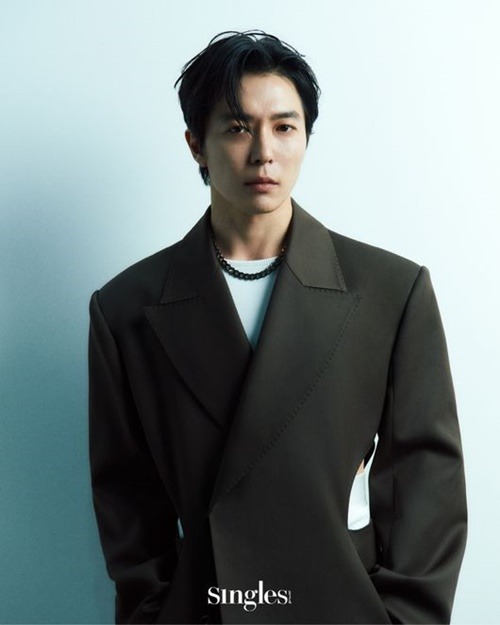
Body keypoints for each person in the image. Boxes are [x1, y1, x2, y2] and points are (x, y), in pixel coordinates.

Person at [88, 30, 467, 624]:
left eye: (285, 127)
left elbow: (427, 485)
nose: (264, 152)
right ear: (196, 144)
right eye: (238, 128)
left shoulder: (391, 290)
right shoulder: (126, 309)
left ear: (306, 137)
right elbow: (127, 500)